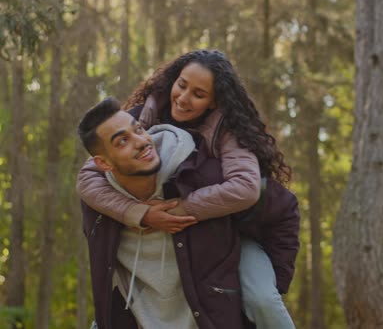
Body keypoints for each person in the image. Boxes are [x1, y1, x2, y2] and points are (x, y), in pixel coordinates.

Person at [78, 50, 298, 328]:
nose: (183, 98)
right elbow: (88, 178)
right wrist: (140, 213)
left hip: (232, 229)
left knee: (262, 300)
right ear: (173, 79)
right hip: (180, 241)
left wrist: (178, 209)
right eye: (181, 85)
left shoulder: (227, 130)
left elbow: (245, 189)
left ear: (213, 101)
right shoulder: (144, 116)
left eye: (198, 93)